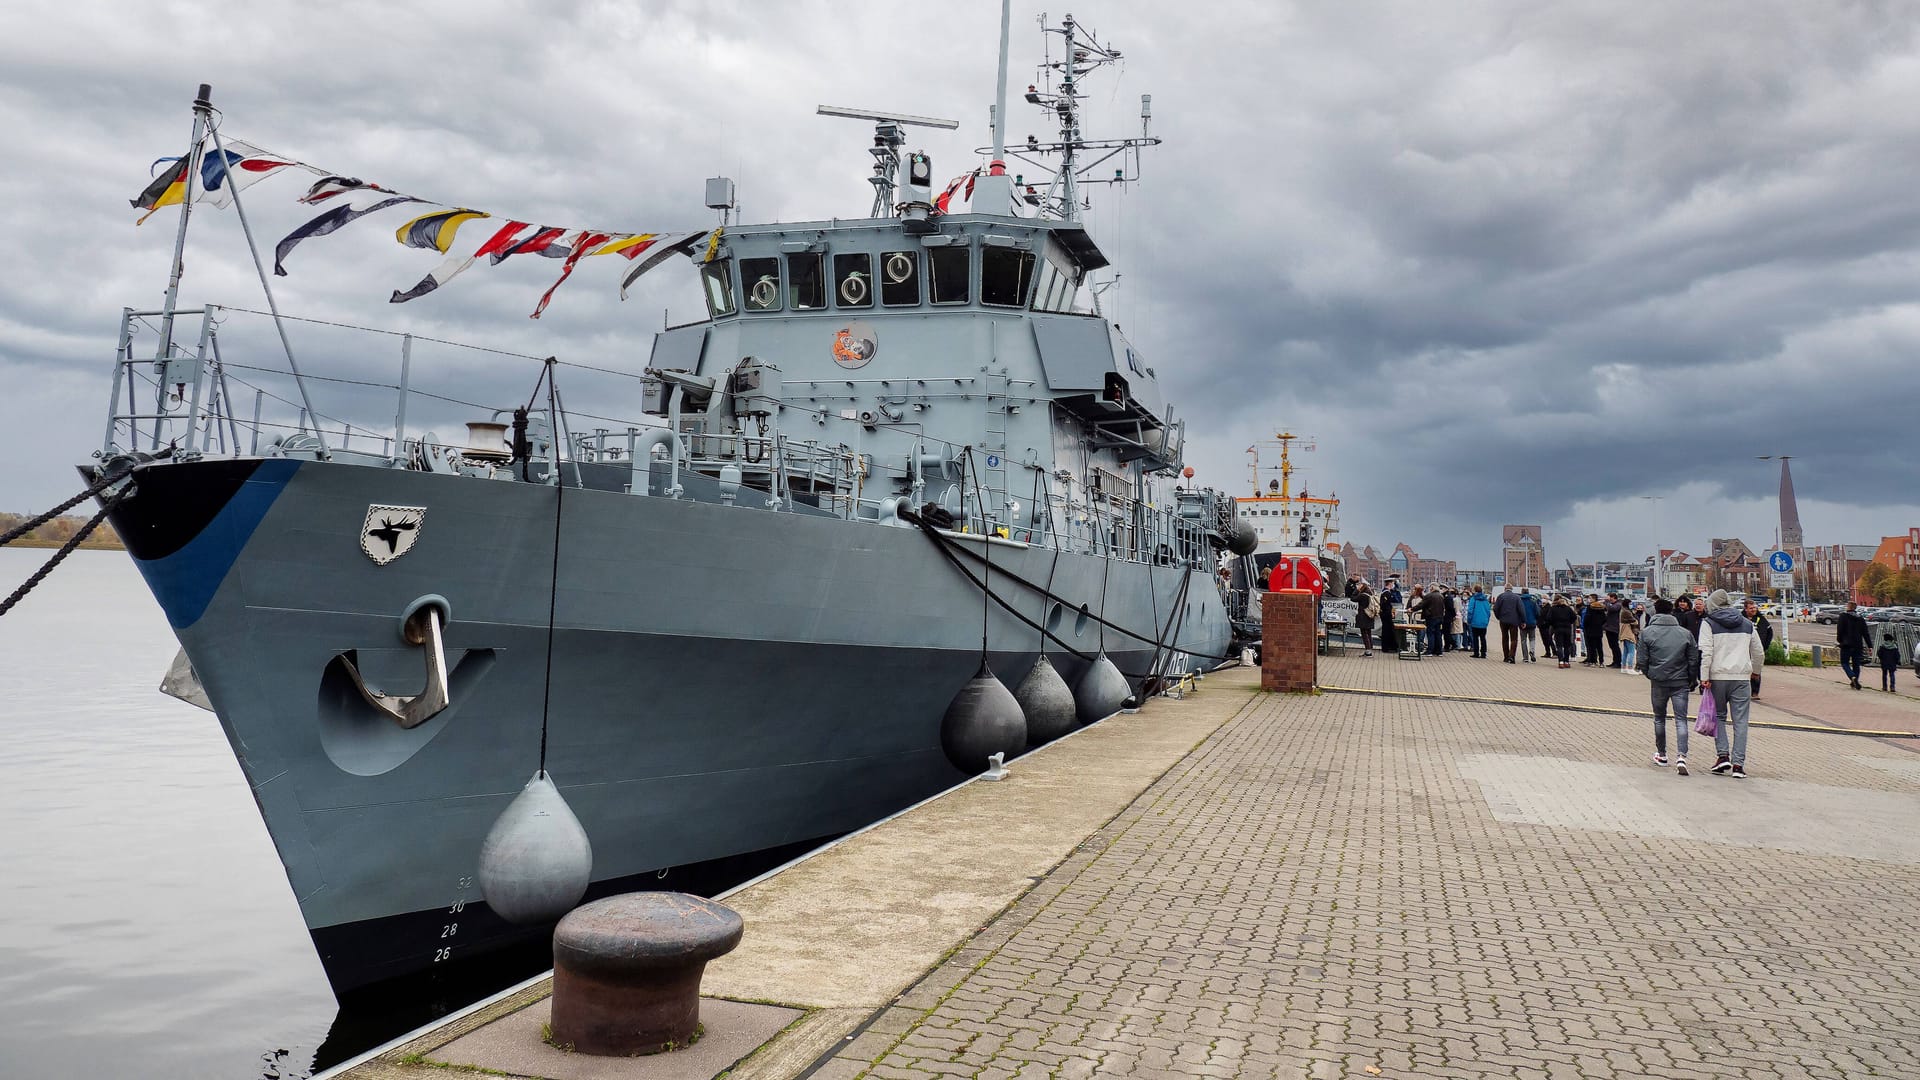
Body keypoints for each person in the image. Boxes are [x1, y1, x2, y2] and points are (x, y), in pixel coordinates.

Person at [1699, 589, 1766, 779]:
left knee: (1718, 716)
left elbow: (1707, 653)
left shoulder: (1708, 623)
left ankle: (1722, 756)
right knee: (1741, 721)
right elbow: (1759, 652)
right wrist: (1756, 672)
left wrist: (1704, 676)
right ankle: (1738, 765)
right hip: (1741, 678)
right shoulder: (1747, 623)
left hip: (1717, 677)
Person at [1639, 598, 1699, 774]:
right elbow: (1693, 658)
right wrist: (1691, 678)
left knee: (1659, 718)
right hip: (1680, 681)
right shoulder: (1685, 633)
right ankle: (1681, 756)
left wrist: (1650, 673)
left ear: (1655, 611)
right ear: (1672, 611)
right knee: (1681, 719)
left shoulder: (1647, 633)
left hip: (1658, 681)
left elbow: (1642, 660)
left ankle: (1662, 754)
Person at [1835, 600, 1870, 690]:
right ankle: (1854, 681)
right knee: (1856, 664)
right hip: (1858, 644)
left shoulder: (1843, 616)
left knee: (1844, 663)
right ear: (1855, 608)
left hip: (1846, 644)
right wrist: (1870, 645)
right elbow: (1865, 633)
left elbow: (1840, 630)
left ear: (1848, 607)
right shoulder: (1860, 619)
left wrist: (1840, 640)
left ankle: (1852, 677)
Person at [1742, 599, 1774, 699]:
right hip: (1743, 650)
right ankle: (1744, 692)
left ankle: (1755, 692)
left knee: (1756, 670)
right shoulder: (1740, 618)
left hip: (1757, 650)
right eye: (1751, 608)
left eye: (1754, 608)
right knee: (1744, 671)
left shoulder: (1761, 619)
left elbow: (1770, 632)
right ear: (1745, 609)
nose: (1753, 610)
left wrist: (1764, 646)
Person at [1544, 594, 1578, 668]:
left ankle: (1561, 661)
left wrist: (1553, 624)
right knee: (1567, 646)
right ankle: (1566, 661)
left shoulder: (1553, 609)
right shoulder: (1568, 609)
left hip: (1558, 629)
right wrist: (1569, 622)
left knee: (1559, 646)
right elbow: (1574, 617)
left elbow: (1548, 618)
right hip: (1567, 629)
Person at [1493, 585, 1524, 663]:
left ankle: (1506, 657)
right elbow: (1521, 610)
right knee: (1514, 639)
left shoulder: (1500, 596)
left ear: (1505, 589)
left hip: (1503, 621)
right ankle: (1512, 656)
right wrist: (1523, 621)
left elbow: (1495, 608)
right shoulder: (1517, 597)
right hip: (1514, 621)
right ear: (1512, 589)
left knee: (1505, 638)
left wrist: (1498, 617)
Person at [1581, 595, 1609, 667]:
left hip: (1590, 630)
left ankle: (1593, 661)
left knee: (1591, 646)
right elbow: (1604, 619)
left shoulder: (1589, 609)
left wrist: (1586, 626)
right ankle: (1601, 662)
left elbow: (1586, 619)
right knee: (1599, 646)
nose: (1588, 600)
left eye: (1590, 598)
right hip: (1598, 630)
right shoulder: (1601, 610)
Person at [1466, 585, 1493, 659]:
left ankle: (1476, 652)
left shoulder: (1473, 599)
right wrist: (1487, 620)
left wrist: (1469, 620)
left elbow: (1470, 611)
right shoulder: (1485, 600)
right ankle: (1483, 653)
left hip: (1475, 621)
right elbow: (1488, 611)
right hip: (1483, 622)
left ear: (1475, 591)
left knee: (1475, 638)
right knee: (1483, 638)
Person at [1355, 581, 1379, 657]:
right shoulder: (1370, 594)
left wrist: (1357, 590)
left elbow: (1353, 598)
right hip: (1369, 615)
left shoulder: (1362, 595)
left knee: (1364, 633)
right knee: (1368, 633)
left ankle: (1368, 651)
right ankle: (1369, 649)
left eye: (1359, 585)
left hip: (1363, 616)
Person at [1519, 588, 1541, 662]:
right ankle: (1532, 651)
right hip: (1532, 623)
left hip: (1522, 623)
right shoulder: (1533, 601)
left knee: (1523, 640)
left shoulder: (1520, 601)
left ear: (1522, 592)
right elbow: (1537, 612)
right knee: (1532, 639)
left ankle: (1525, 657)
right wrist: (1536, 620)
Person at [1619, 600, 1640, 674]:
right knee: (1631, 651)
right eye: (1630, 603)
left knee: (1625, 651)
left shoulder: (1622, 610)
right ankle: (1630, 668)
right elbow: (1635, 621)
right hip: (1628, 632)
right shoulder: (1627, 612)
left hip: (1623, 632)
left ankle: (1624, 667)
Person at [1603, 594, 1624, 667]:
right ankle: (1614, 661)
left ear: (1613, 598)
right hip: (1609, 627)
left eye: (1610, 598)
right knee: (1611, 646)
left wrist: (1606, 601)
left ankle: (1618, 662)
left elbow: (1612, 609)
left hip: (1614, 628)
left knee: (1615, 646)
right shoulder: (1611, 604)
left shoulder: (1618, 604)